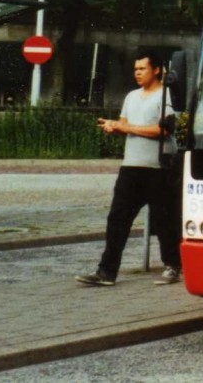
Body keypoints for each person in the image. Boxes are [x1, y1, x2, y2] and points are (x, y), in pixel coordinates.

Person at [76, 51, 181, 287]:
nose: (137, 73)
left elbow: (164, 130)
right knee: (117, 219)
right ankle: (106, 272)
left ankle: (172, 266)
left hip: (158, 168)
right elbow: (126, 125)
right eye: (135, 69)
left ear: (156, 70)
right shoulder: (132, 96)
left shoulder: (166, 96)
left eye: (142, 69)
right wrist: (114, 126)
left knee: (164, 221)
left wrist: (129, 128)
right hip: (131, 167)